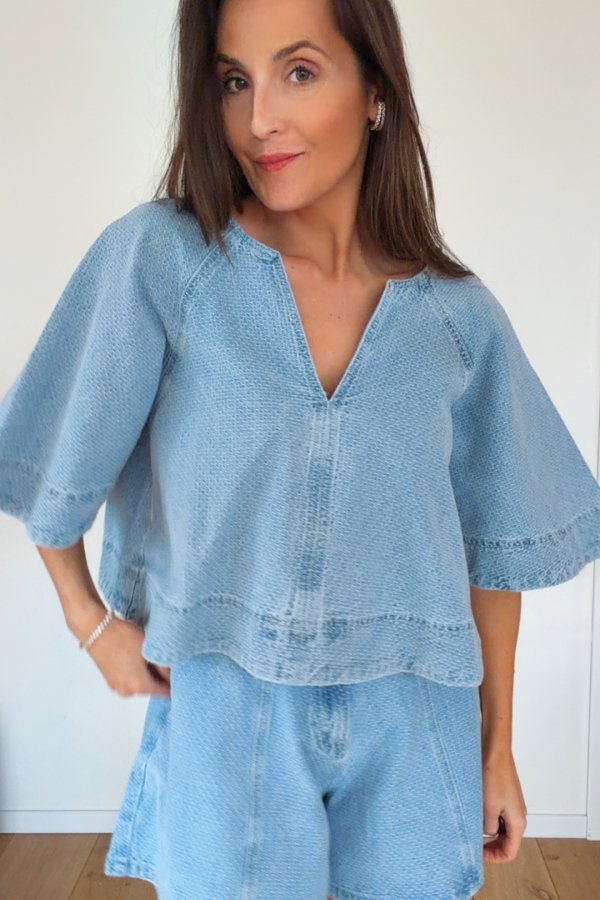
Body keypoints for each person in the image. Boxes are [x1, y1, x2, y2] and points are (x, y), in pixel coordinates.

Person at [1, 1, 599, 897]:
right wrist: (91, 625)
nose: (259, 120)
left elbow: (493, 546)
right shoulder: (165, 264)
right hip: (226, 705)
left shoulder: (457, 319)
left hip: (416, 719)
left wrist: (498, 745)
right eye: (232, 81)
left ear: (375, 92)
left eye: (300, 72)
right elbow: (54, 455)